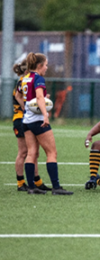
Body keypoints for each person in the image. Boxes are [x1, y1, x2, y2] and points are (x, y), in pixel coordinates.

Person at [15, 52, 73, 195]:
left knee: (31, 153)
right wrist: (45, 116)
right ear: (40, 65)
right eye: (46, 65)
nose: (47, 67)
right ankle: (56, 187)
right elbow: (40, 97)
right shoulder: (38, 78)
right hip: (38, 120)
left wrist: (25, 106)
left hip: (26, 120)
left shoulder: (24, 78)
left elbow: (18, 95)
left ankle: (31, 188)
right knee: (52, 152)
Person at [12, 59, 51, 192]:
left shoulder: (26, 81)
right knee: (25, 152)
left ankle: (36, 181)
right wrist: (26, 108)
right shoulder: (23, 82)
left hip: (26, 118)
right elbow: (20, 97)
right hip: (21, 118)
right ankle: (21, 182)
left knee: (33, 152)